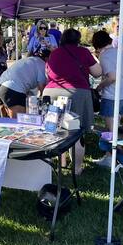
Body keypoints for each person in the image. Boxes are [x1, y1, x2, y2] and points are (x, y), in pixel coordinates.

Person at [43, 29, 102, 175]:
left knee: (54, 130)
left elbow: (47, 73)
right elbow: (97, 72)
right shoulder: (84, 52)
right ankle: (76, 169)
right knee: (76, 132)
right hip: (76, 93)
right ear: (78, 39)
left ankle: (58, 164)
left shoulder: (55, 53)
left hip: (53, 92)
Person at [92, 31, 123, 167]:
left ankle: (110, 157)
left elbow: (112, 77)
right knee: (116, 127)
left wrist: (99, 87)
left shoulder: (105, 56)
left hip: (112, 96)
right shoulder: (118, 52)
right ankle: (119, 155)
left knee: (109, 129)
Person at [0, 49, 50, 118]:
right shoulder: (42, 64)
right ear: (47, 58)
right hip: (13, 89)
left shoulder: (29, 60)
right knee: (17, 124)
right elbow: (42, 89)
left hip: (1, 85)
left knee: (6, 123)